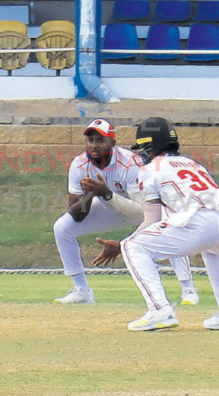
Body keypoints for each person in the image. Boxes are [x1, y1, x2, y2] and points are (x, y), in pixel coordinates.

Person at [94, 117, 219, 332]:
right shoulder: (193, 164)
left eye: (142, 148)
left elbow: (152, 220)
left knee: (133, 246)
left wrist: (122, 245)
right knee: (214, 249)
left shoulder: (149, 170)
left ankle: (160, 309)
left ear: (150, 146)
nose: (140, 154)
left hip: (202, 221)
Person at [53, 119, 198, 305]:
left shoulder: (129, 163)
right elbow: (77, 214)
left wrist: (106, 194)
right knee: (62, 227)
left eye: (100, 140)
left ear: (112, 143)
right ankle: (82, 290)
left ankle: (188, 290)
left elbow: (140, 210)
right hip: (109, 207)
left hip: (138, 207)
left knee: (170, 221)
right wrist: (89, 195)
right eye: (90, 140)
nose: (94, 146)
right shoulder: (79, 164)